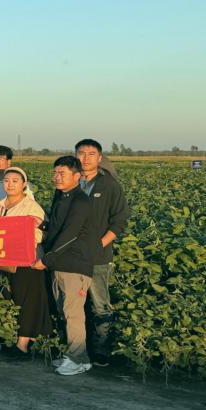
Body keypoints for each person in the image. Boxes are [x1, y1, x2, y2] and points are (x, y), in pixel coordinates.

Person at [35, 156, 99, 376]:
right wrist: (43, 225)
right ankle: (78, 357)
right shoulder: (62, 197)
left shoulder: (81, 201)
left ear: (77, 176)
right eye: (55, 172)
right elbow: (58, 227)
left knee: (73, 314)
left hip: (74, 264)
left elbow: (70, 235)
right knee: (64, 311)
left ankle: (77, 358)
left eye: (62, 173)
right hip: (61, 264)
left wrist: (47, 259)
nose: (57, 177)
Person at [75, 139, 130, 366]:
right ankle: (76, 346)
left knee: (99, 303)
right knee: (73, 303)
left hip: (98, 256)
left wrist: (100, 245)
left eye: (91, 154)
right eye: (81, 153)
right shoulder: (71, 181)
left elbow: (120, 220)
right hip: (72, 255)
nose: (86, 158)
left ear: (99, 158)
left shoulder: (109, 185)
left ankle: (101, 349)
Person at [0, 167, 48, 357]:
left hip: (27, 261)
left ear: (24, 184)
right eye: (6, 181)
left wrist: (18, 235)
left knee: (27, 300)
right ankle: (10, 336)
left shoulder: (32, 207)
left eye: (15, 181)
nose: (10, 184)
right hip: (3, 261)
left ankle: (23, 344)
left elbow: (41, 235)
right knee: (9, 297)